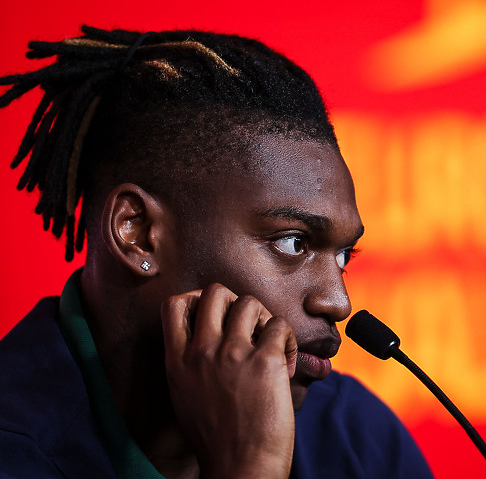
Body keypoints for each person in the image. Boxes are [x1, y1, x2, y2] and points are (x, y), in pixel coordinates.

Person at [0, 27, 433, 478]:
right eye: (293, 243)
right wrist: (251, 467)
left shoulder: (357, 437)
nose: (338, 302)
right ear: (139, 233)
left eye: (343, 256)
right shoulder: (14, 446)